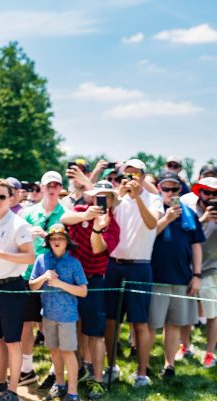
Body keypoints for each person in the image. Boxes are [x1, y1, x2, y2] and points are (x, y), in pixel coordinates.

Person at [104, 159, 163, 387]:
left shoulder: (153, 199)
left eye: (135, 174)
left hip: (139, 265)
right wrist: (120, 195)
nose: (130, 179)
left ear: (143, 176)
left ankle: (141, 373)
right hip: (114, 264)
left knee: (140, 322)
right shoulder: (117, 199)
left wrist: (137, 196)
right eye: (126, 175)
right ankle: (111, 366)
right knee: (111, 321)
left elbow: (151, 223)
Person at [61, 180, 121, 399]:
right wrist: (86, 216)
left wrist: (97, 226)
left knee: (95, 333)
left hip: (94, 281)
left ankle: (97, 379)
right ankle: (78, 372)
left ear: (113, 201)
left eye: (105, 197)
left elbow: (98, 248)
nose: (100, 201)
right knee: (73, 327)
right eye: (97, 196)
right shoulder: (80, 211)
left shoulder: (112, 225)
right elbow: (64, 218)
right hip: (71, 279)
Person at [0, 179, 35, 401]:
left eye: (2, 196)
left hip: (12, 286)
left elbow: (30, 257)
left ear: (12, 198)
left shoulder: (19, 224)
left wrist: (1, 256)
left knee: (12, 341)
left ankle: (13, 390)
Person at [148, 171, 205, 378]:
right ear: (159, 189)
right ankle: (143, 367)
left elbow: (196, 246)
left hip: (182, 278)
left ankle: (169, 365)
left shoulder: (190, 213)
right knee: (150, 325)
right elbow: (148, 235)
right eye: (166, 188)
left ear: (180, 190)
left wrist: (197, 275)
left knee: (173, 325)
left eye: (175, 188)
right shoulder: (153, 210)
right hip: (156, 277)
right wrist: (167, 218)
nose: (170, 192)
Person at [30, 224, 87, 401]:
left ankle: (73, 392)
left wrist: (61, 284)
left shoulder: (73, 263)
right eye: (53, 239)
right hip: (48, 314)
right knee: (54, 351)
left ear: (66, 242)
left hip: (67, 316)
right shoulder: (41, 260)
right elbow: (32, 286)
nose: (56, 241)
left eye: (60, 239)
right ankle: (60, 385)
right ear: (48, 242)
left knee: (68, 352)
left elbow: (83, 291)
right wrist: (44, 277)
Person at [20, 171, 65, 388]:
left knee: (52, 325)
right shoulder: (28, 212)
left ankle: (57, 371)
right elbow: (16, 236)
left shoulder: (66, 212)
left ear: (61, 188)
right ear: (42, 187)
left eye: (56, 185)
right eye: (49, 185)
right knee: (27, 323)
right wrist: (29, 232)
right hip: (30, 274)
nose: (52, 189)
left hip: (57, 277)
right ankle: (26, 369)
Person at [181, 177, 217, 368]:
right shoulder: (189, 210)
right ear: (199, 192)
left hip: (212, 268)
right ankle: (185, 347)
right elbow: (184, 237)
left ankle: (210, 353)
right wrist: (203, 220)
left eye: (214, 193)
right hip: (187, 268)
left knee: (212, 314)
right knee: (186, 313)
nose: (210, 197)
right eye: (206, 192)